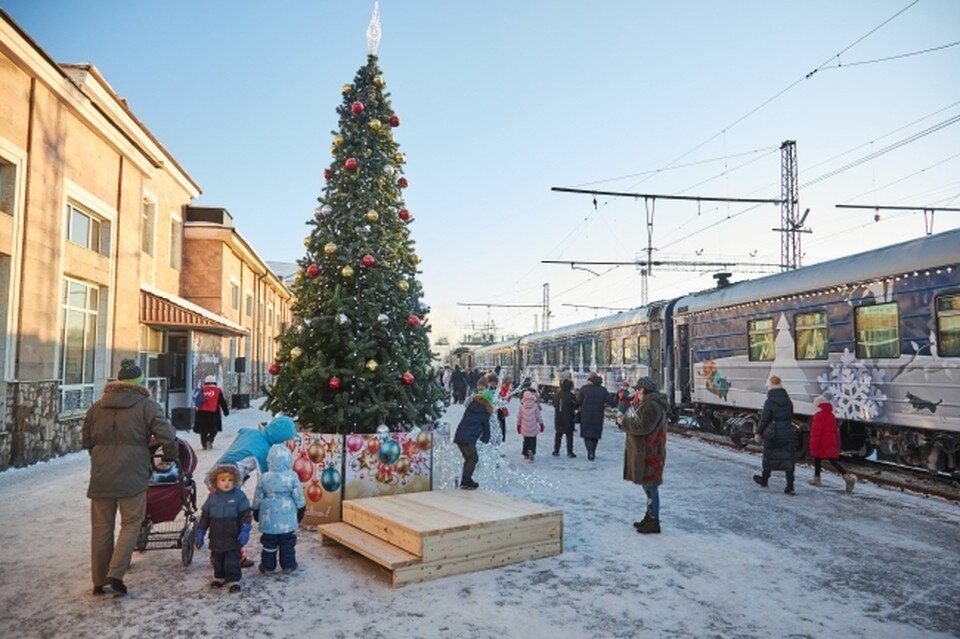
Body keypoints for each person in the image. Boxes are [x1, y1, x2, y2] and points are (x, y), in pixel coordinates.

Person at [83, 358, 178, 597]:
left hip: (102, 475)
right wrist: (169, 455)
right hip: (133, 473)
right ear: (138, 382)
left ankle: (98, 580)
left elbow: (86, 439)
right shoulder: (147, 405)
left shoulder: (97, 406)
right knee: (131, 523)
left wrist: (100, 455)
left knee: (101, 528)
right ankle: (116, 573)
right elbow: (167, 434)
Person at [214, 414, 298, 567]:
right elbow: (268, 480)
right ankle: (228, 558)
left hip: (216, 475)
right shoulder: (263, 451)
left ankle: (229, 555)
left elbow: (241, 437)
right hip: (226, 483)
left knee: (225, 520)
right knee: (232, 522)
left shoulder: (251, 433)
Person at [195, 463, 253, 593]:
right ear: (215, 481)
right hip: (216, 536)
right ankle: (219, 577)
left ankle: (233, 580)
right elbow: (205, 516)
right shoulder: (212, 497)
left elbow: (245, 514)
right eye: (223, 480)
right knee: (218, 558)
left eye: (230, 480)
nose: (226, 483)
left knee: (232, 560)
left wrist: (245, 529)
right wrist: (200, 531)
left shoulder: (239, 496)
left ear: (236, 481)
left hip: (233, 535)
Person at [623, 377, 668, 534]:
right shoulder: (647, 404)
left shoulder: (651, 405)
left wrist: (625, 422)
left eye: (638, 389)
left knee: (650, 487)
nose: (636, 391)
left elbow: (643, 427)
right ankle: (649, 516)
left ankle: (653, 520)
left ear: (643, 390)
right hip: (648, 451)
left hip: (650, 453)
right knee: (648, 486)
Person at [253, 443, 307, 574]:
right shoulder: (292, 476)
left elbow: (258, 496)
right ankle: (288, 565)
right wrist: (301, 510)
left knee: (268, 542)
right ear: (288, 459)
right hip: (287, 516)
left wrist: (256, 511)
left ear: (269, 460)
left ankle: (267, 566)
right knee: (287, 541)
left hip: (268, 516)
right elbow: (298, 496)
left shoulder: (264, 477)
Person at [753, 375, 798, 495]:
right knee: (788, 459)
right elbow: (790, 416)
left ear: (770, 386)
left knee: (769, 456)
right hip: (787, 432)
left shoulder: (770, 401)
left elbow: (764, 419)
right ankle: (790, 486)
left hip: (773, 433)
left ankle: (764, 480)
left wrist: (758, 432)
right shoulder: (788, 401)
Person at [808, 395, 856, 493]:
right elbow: (835, 431)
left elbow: (816, 433)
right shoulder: (831, 415)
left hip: (821, 442)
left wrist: (813, 446)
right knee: (832, 460)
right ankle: (847, 477)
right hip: (830, 441)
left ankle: (817, 479)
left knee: (817, 458)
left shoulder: (818, 416)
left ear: (819, 405)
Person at [453, 384, 493, 489]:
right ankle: (465, 481)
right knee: (473, 458)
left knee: (469, 458)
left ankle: (466, 480)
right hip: (468, 439)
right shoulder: (485, 413)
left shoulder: (471, 407)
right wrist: (485, 439)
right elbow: (486, 429)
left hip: (460, 435)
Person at [576, 371, 615, 460]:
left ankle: (590, 451)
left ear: (590, 380)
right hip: (598, 415)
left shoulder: (584, 389)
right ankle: (593, 451)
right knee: (595, 435)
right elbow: (611, 401)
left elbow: (578, 402)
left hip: (586, 415)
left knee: (587, 435)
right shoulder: (603, 390)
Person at [193, 375, 230, 450]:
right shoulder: (217, 391)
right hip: (213, 413)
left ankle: (204, 445)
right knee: (214, 430)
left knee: (203, 431)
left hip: (201, 412)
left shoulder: (202, 390)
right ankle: (209, 440)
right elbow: (222, 402)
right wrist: (226, 412)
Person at [516, 379, 544, 461]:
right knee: (532, 440)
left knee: (526, 440)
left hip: (524, 427)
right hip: (533, 427)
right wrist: (541, 424)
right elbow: (538, 416)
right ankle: (531, 451)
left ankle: (525, 453)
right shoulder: (535, 406)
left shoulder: (521, 406)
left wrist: (518, 425)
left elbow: (519, 417)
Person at [552, 377, 578, 457]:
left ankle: (556, 450)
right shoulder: (571, 395)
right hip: (569, 417)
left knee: (558, 434)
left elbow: (554, 404)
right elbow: (575, 405)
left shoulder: (557, 394)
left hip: (559, 417)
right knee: (569, 435)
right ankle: (570, 452)